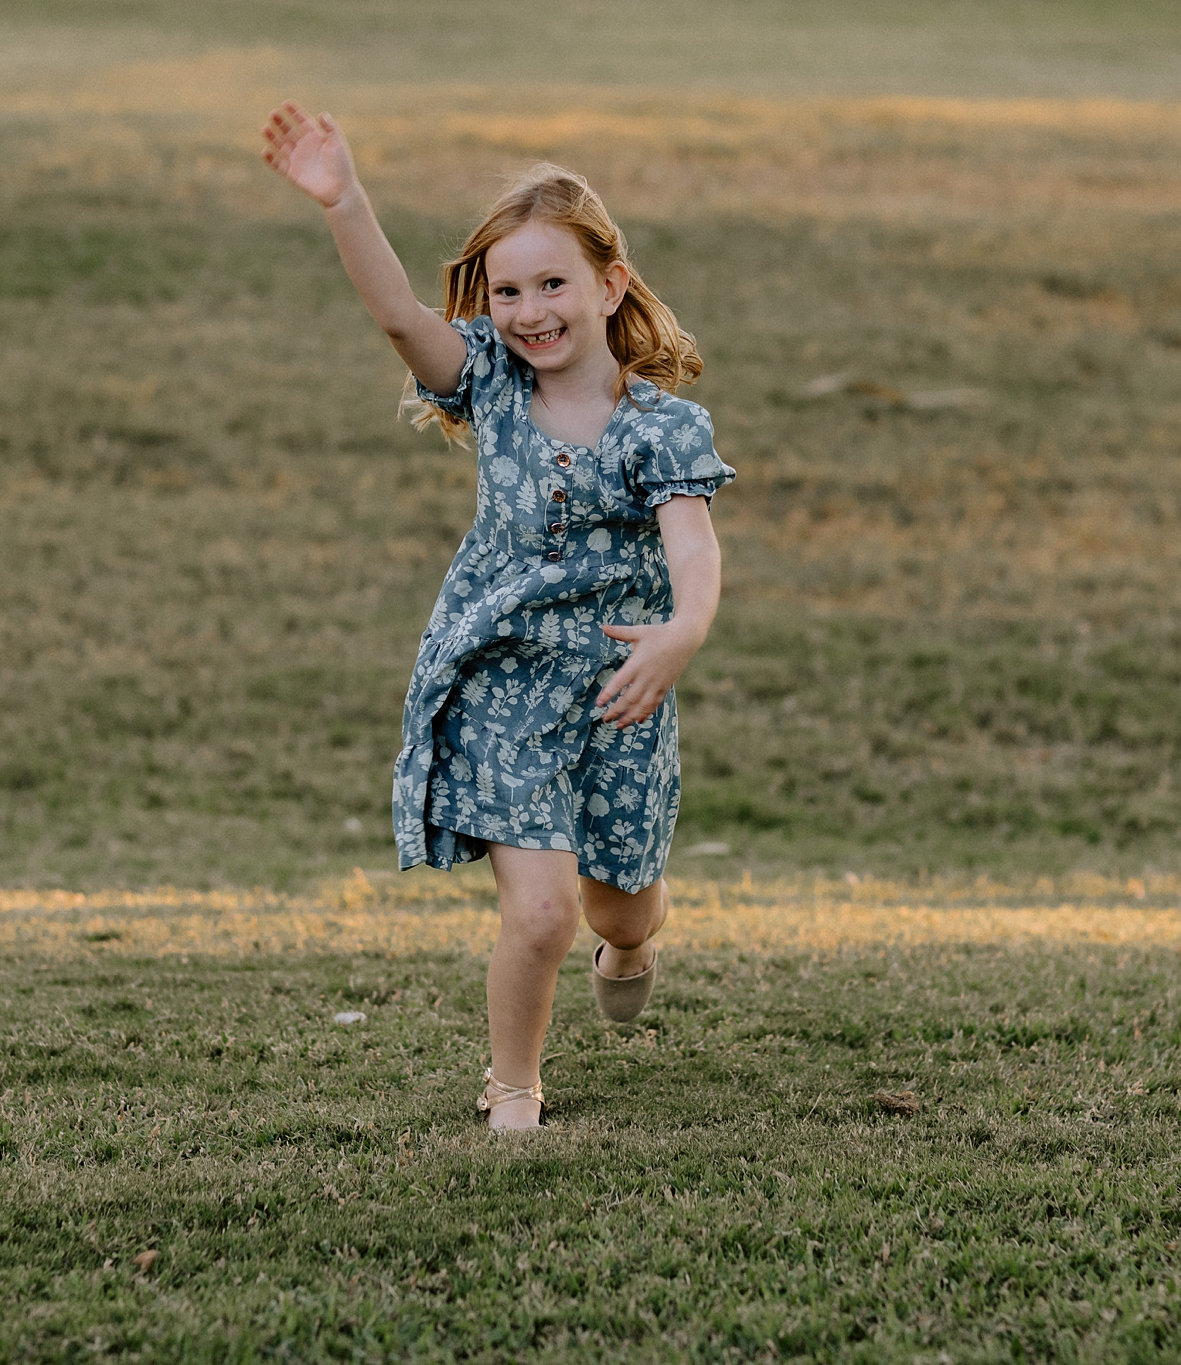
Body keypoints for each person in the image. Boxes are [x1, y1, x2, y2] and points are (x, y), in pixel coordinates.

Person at [261, 103, 734, 1130]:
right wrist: (344, 200)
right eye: (506, 290)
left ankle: (637, 941)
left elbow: (692, 545)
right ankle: (512, 1087)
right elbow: (397, 316)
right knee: (540, 912)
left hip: (618, 688)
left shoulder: (661, 428)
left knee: (619, 901)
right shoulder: (488, 384)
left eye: (550, 283)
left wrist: (681, 631)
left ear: (609, 286)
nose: (526, 310)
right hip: (504, 683)